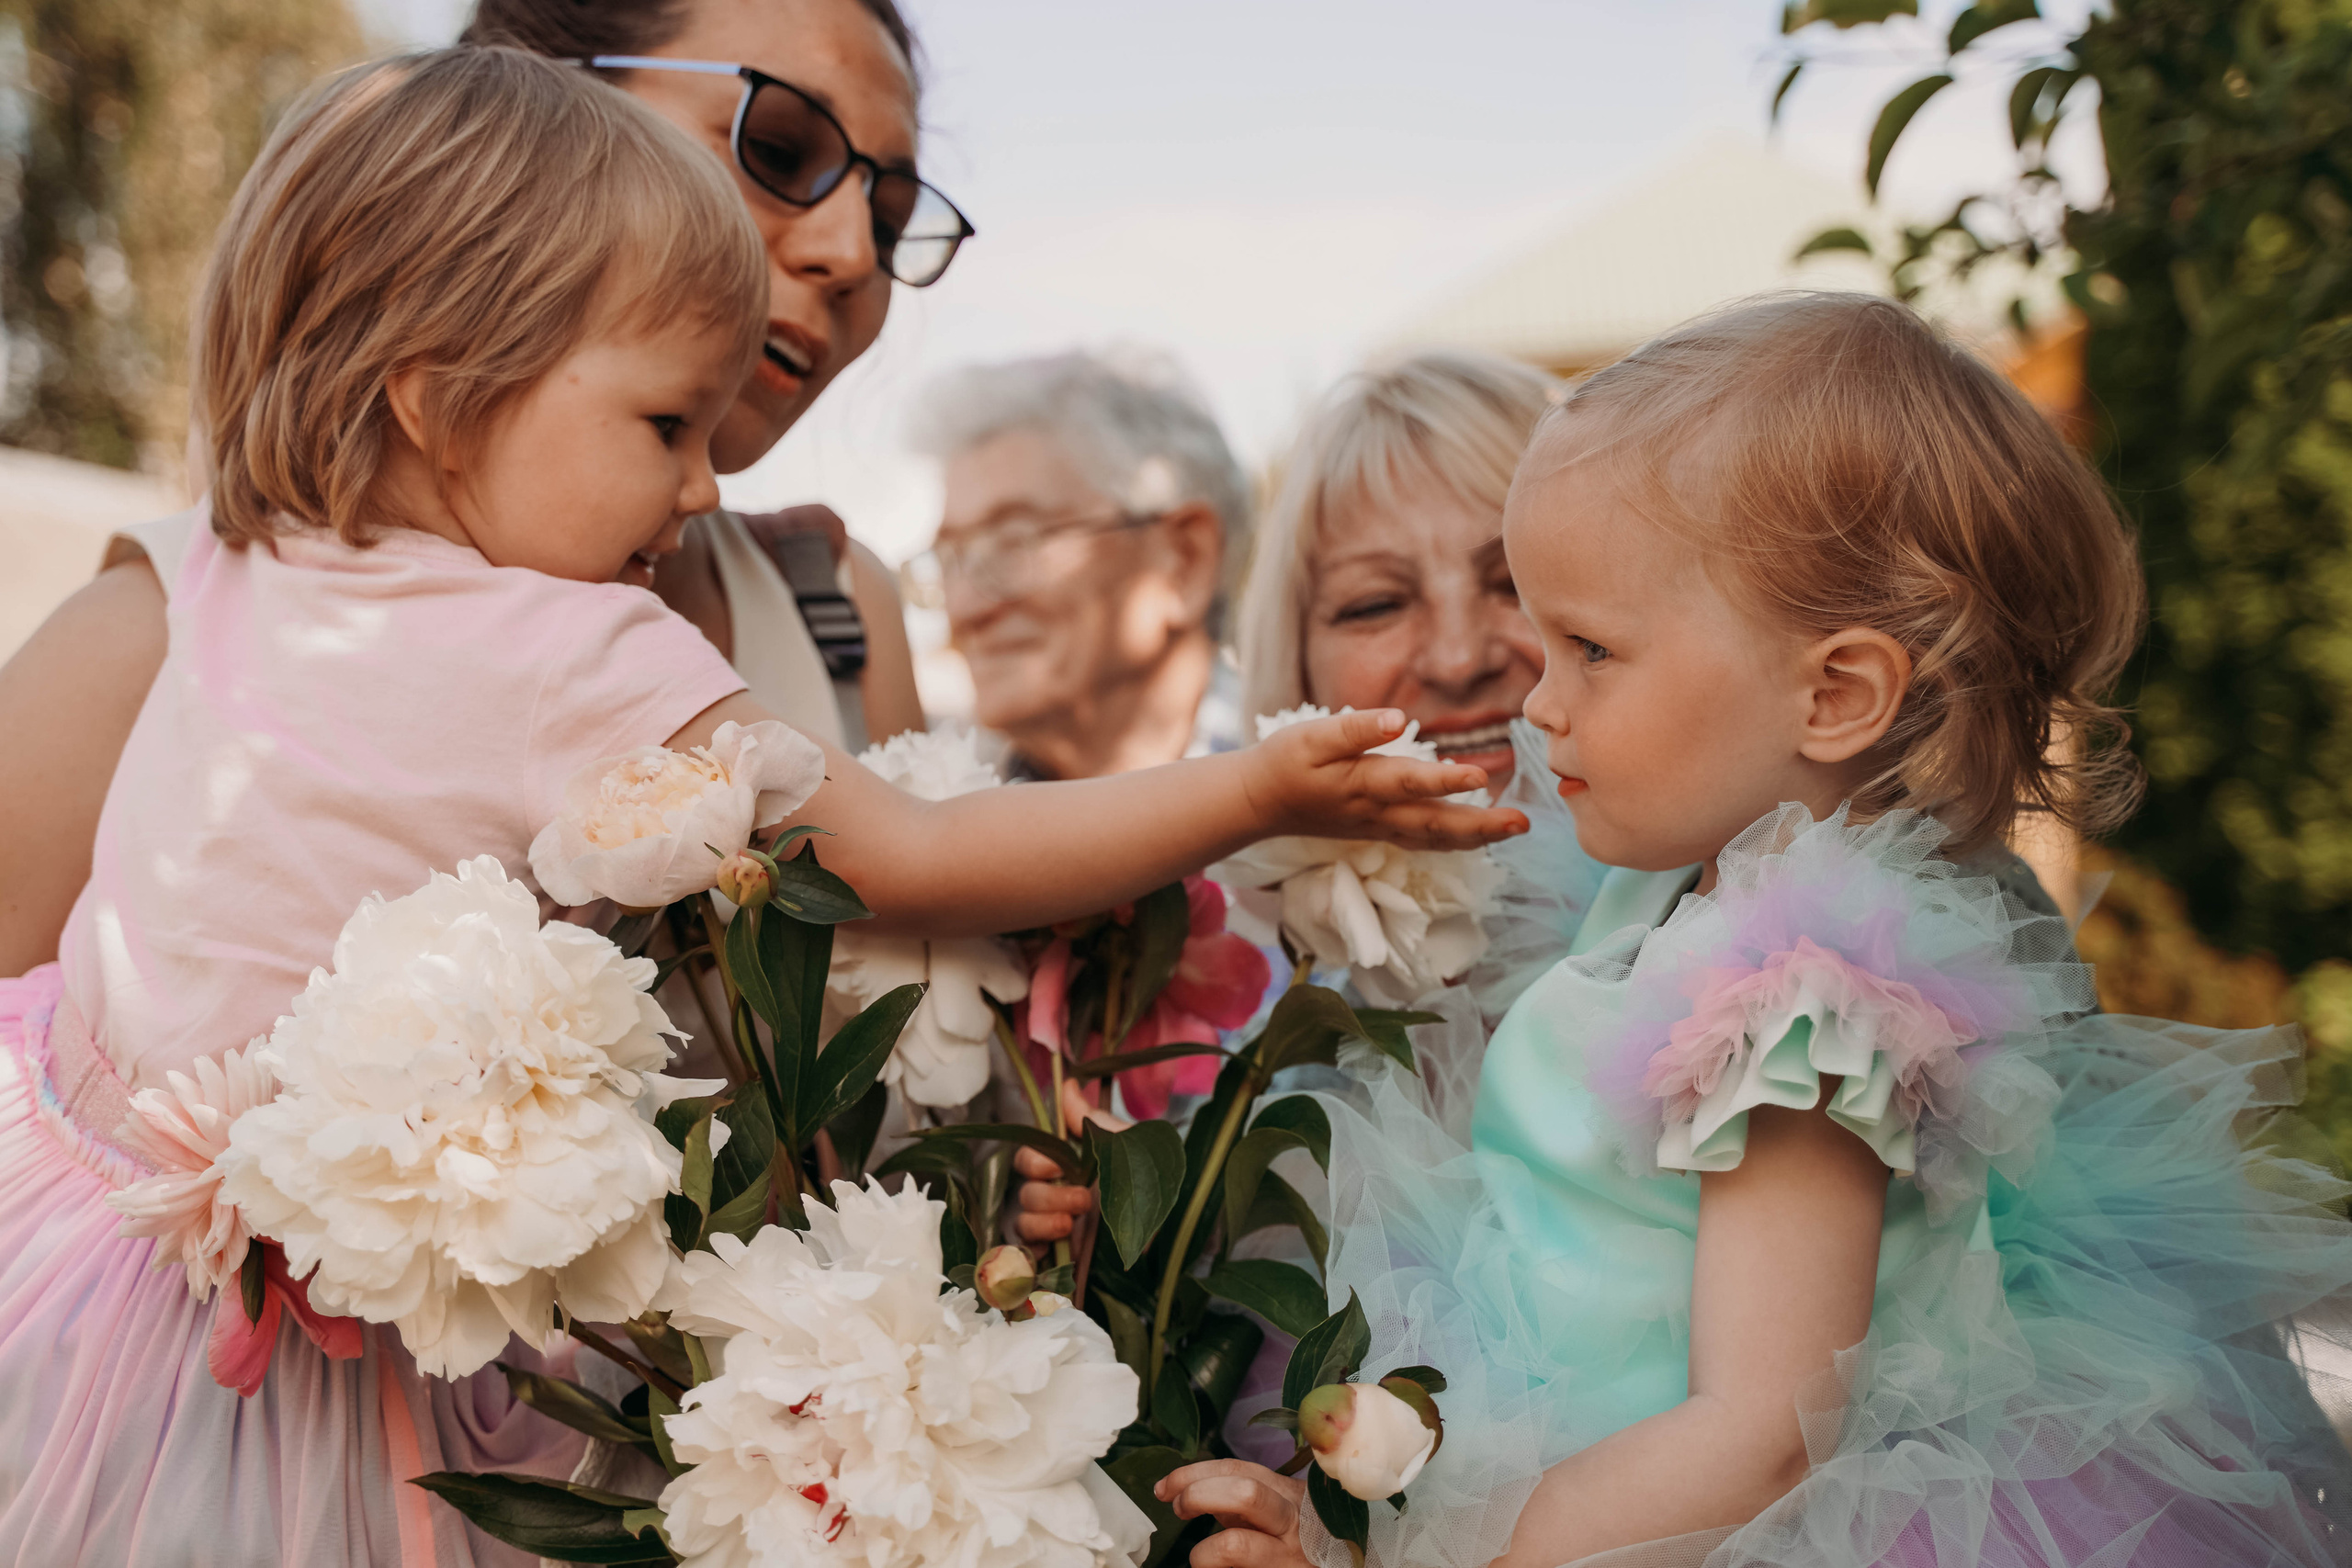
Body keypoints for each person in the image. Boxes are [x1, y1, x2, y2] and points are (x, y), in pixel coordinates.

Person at [0, 49, 1523, 1567]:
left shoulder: (229, 564)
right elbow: (916, 856)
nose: (699, 487)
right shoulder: (576, 644)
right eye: (667, 426)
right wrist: (1256, 782)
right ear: (438, 398)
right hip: (318, 1373)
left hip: (75, 1260)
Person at [1153, 294, 2352, 1568]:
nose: (1531, 698)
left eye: (1590, 646)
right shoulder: (1658, 891)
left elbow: (1764, 1431)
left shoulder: (1810, 1001)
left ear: (1833, 694)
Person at [0, 0, 937, 982]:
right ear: (528, 115)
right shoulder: (168, 628)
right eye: (781, 151)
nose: (853, 253)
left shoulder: (838, 610)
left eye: (891, 219)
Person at [1014, 351, 1589, 1248]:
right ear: (1297, 661)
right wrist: (1122, 1219)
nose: (1458, 656)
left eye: (1511, 580)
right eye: (1374, 605)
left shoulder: (1721, 944)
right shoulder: (1227, 983)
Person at [909, 350, 1251, 781]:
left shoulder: (1323, 812)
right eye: (948, 558)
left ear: (1185, 560)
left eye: (1013, 543)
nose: (964, 608)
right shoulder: (933, 805)